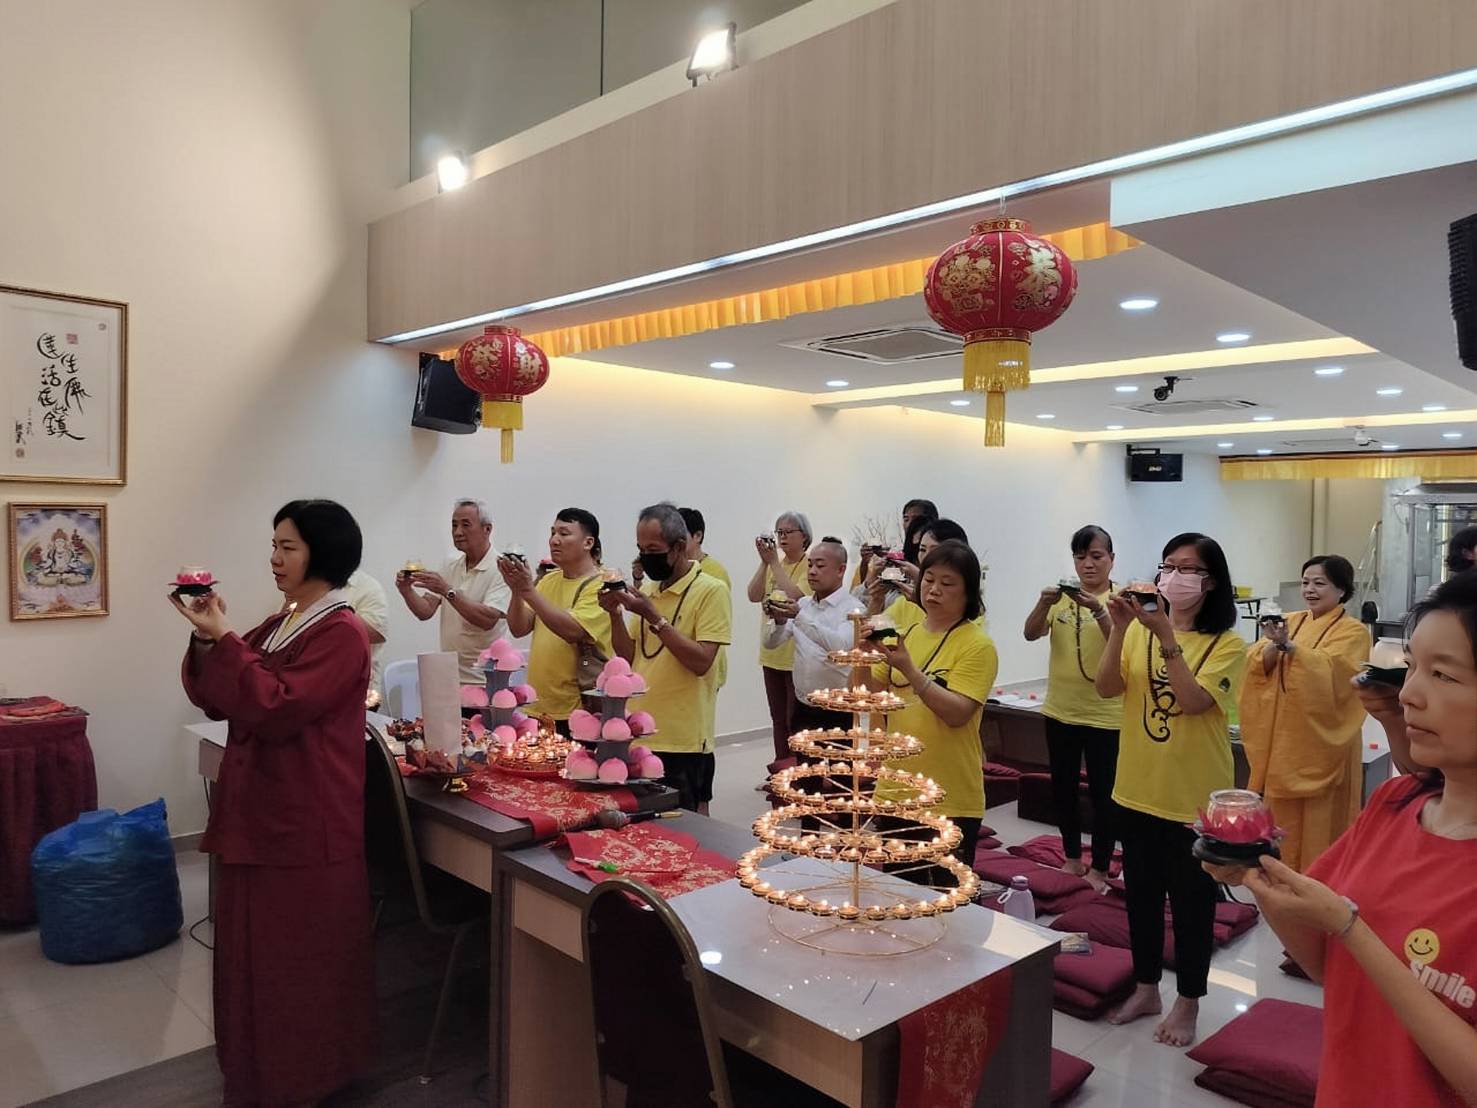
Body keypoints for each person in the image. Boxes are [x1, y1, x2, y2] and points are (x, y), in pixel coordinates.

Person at [1208, 573, 1477, 1107]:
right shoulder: (1395, 803)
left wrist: (1351, 928)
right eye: (1412, 668)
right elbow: (1330, 969)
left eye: (1443, 675)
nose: (1410, 694)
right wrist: (1255, 875)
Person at [171, 499, 375, 1106]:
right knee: (251, 954)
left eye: (288, 547)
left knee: (297, 963)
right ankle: (255, 1071)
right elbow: (219, 696)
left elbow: (277, 706)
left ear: (322, 553)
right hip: (261, 810)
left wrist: (225, 638)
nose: (275, 558)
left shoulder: (342, 632)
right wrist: (206, 636)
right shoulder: (283, 621)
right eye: (274, 545)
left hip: (304, 818)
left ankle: (304, 1079)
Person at [1094, 532, 1246, 1047]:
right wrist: (1120, 629)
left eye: (1188, 569)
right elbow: (1107, 688)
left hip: (1193, 800)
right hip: (1136, 787)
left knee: (1192, 905)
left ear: (1211, 582)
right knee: (1139, 898)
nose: (1175, 577)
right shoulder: (1138, 632)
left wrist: (1164, 635)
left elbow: (1193, 702)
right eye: (1168, 566)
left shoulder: (1227, 645)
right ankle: (1146, 988)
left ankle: (1188, 1001)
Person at [864, 540, 998, 869]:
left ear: (969, 593)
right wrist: (863, 650)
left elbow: (957, 714)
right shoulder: (906, 633)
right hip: (896, 788)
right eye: (929, 579)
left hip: (948, 795)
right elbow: (871, 693)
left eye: (947, 583)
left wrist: (910, 669)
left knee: (943, 894)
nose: (934, 589)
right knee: (898, 890)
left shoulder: (977, 645)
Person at [1239, 555, 1370, 870]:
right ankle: (1278, 876)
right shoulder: (1292, 620)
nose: (1310, 590)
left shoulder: (1354, 631)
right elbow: (1255, 662)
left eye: (1319, 583)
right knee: (1280, 821)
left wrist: (1292, 648)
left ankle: (1318, 881)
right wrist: (1275, 646)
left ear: (1341, 589)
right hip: (1284, 740)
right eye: (1306, 582)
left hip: (1323, 741)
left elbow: (1338, 672)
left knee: (1320, 823)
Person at [602, 504, 732, 813]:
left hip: (683, 738)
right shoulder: (648, 590)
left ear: (679, 547)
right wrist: (615, 615)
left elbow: (701, 662)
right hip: (641, 730)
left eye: (653, 550)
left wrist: (654, 617)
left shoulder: (711, 590)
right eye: (640, 549)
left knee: (685, 827)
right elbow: (630, 657)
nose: (645, 557)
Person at [1023, 524, 1122, 893]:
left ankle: (1101, 867)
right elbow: (1030, 633)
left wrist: (1098, 610)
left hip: (1106, 715)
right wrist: (1043, 603)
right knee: (1062, 788)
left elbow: (1124, 644)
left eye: (1096, 556)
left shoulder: (1120, 600)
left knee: (1103, 794)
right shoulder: (1062, 597)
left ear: (1111, 559)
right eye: (1080, 557)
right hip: (1061, 710)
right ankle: (1071, 857)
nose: (1088, 564)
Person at [499, 508, 613, 728]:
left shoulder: (601, 585)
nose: (554, 540)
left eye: (564, 533)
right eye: (552, 533)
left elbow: (572, 631)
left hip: (578, 708)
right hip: (538, 704)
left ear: (588, 543)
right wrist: (516, 590)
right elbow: (519, 628)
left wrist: (528, 591)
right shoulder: (548, 581)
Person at [396, 498, 511, 688]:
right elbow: (425, 611)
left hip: (485, 681)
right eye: (454, 525)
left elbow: (487, 620)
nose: (458, 532)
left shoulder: (502, 568)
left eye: (466, 525)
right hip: (449, 677)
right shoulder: (450, 564)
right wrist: (406, 590)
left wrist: (447, 590)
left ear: (487, 529)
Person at [763, 538, 863, 733]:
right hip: (802, 705)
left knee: (837, 754)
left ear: (841, 570)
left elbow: (840, 647)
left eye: (820, 565)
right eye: (810, 565)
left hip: (838, 708)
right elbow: (770, 643)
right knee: (800, 752)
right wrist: (779, 621)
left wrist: (799, 616)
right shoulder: (803, 604)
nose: (812, 571)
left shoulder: (854, 609)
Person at [747, 510, 814, 772]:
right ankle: (779, 770)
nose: (782, 537)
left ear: (804, 536)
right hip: (771, 652)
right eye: (779, 533)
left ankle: (796, 772)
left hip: (795, 654)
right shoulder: (775, 564)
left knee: (793, 718)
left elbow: (797, 596)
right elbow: (753, 595)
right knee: (777, 719)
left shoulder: (810, 565)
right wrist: (764, 563)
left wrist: (773, 562)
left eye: (788, 532)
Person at [853, 498, 938, 591]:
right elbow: (865, 594)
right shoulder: (895, 560)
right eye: (906, 519)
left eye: (915, 519)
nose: (909, 524)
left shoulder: (940, 560)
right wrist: (865, 563)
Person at [343, 567, 389, 702]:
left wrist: (332, 607)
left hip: (358, 691)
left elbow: (376, 633)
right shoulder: (306, 584)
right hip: (312, 687)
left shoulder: (368, 586)